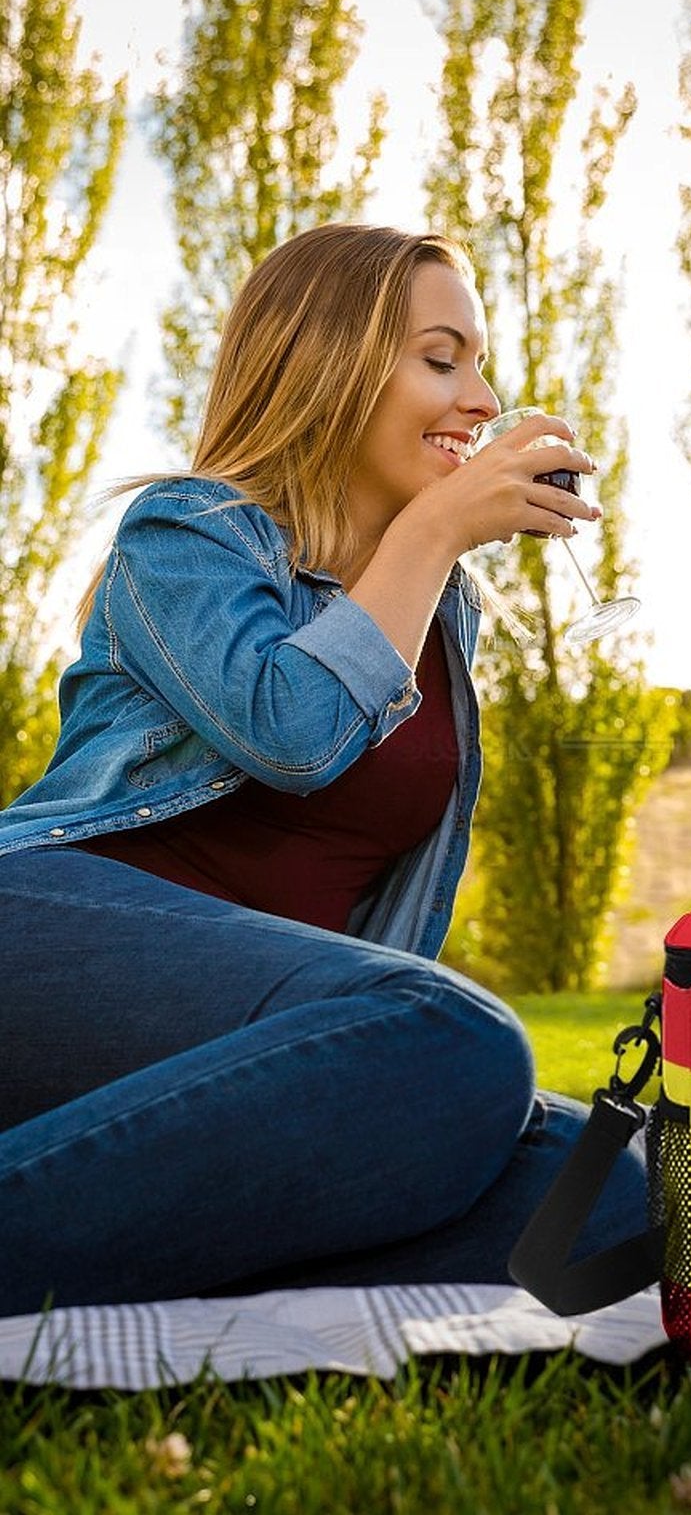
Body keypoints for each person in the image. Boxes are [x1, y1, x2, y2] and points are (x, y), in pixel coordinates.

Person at [0, 223, 645, 1316]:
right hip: (42, 944)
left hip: (242, 1038)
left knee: (610, 1200)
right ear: (326, 366)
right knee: (460, 1040)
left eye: (480, 364)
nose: (482, 398)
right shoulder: (186, 533)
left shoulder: (444, 619)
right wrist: (434, 530)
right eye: (442, 359)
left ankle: (112, 1246)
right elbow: (292, 733)